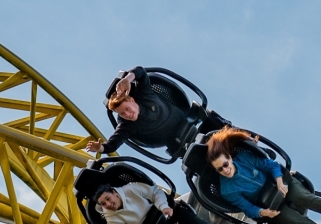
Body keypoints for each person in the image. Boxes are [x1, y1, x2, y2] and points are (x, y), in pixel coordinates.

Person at [86, 66, 224, 157]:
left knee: (213, 122)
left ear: (132, 101)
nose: (127, 115)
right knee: (198, 158)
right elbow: (113, 144)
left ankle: (242, 139)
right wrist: (101, 148)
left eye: (127, 109)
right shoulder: (127, 126)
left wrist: (127, 79)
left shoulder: (143, 94)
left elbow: (140, 71)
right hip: (179, 142)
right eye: (122, 114)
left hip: (190, 119)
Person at [94, 181, 201, 224]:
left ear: (114, 193)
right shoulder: (112, 221)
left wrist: (163, 206)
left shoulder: (131, 189)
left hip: (164, 211)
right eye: (103, 204)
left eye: (108, 199)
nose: (108, 204)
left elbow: (156, 193)